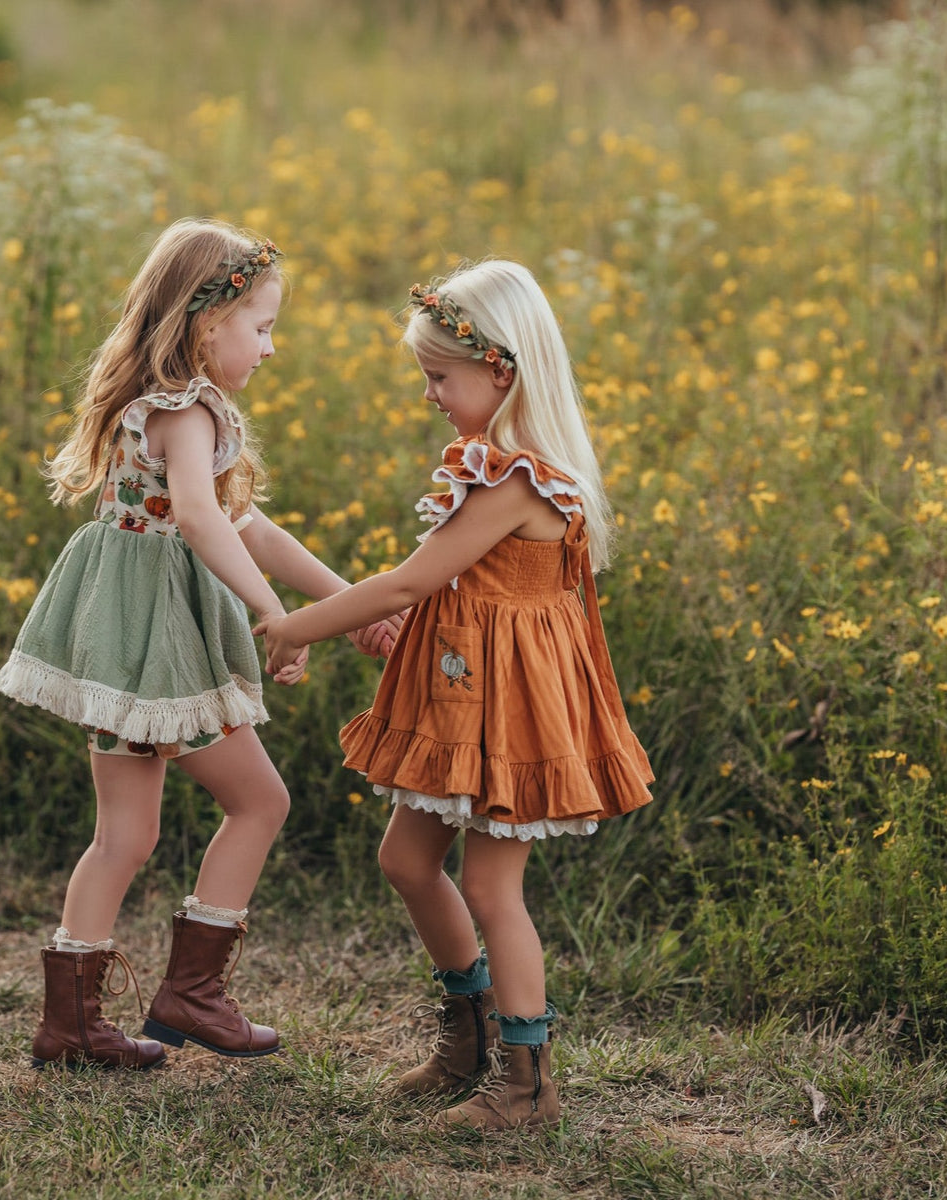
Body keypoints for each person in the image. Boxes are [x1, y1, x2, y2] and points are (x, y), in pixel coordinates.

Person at [0, 218, 399, 1070]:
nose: (270, 347)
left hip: (121, 645)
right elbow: (210, 522)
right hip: (157, 651)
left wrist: (344, 602)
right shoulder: (186, 412)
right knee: (260, 803)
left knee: (124, 837)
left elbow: (249, 526)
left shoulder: (156, 405)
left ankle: (70, 1026)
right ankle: (192, 994)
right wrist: (274, 616)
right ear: (207, 321)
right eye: (263, 327)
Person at [257, 260, 654, 1130]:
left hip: (510, 716)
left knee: (491, 887)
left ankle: (528, 1082)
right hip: (463, 698)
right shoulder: (494, 467)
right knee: (405, 861)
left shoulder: (521, 480)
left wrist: (297, 626)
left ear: (500, 371)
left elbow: (408, 584)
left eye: (441, 376)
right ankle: (468, 1033)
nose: (431, 394)